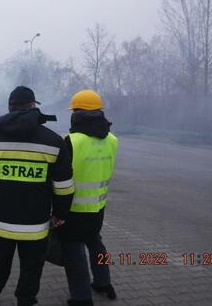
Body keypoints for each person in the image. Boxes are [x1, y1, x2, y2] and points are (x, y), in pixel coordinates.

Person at [0, 86, 74, 306]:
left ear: (9, 107)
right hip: (36, 224)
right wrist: (60, 213)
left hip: (0, 220)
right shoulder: (55, 142)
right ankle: (25, 300)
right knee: (32, 266)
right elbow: (63, 185)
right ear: (34, 106)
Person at [57, 90, 118, 306]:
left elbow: (60, 177)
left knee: (74, 251)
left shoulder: (71, 141)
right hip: (98, 208)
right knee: (95, 242)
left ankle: (81, 298)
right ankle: (103, 283)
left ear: (77, 112)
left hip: (73, 210)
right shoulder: (112, 139)